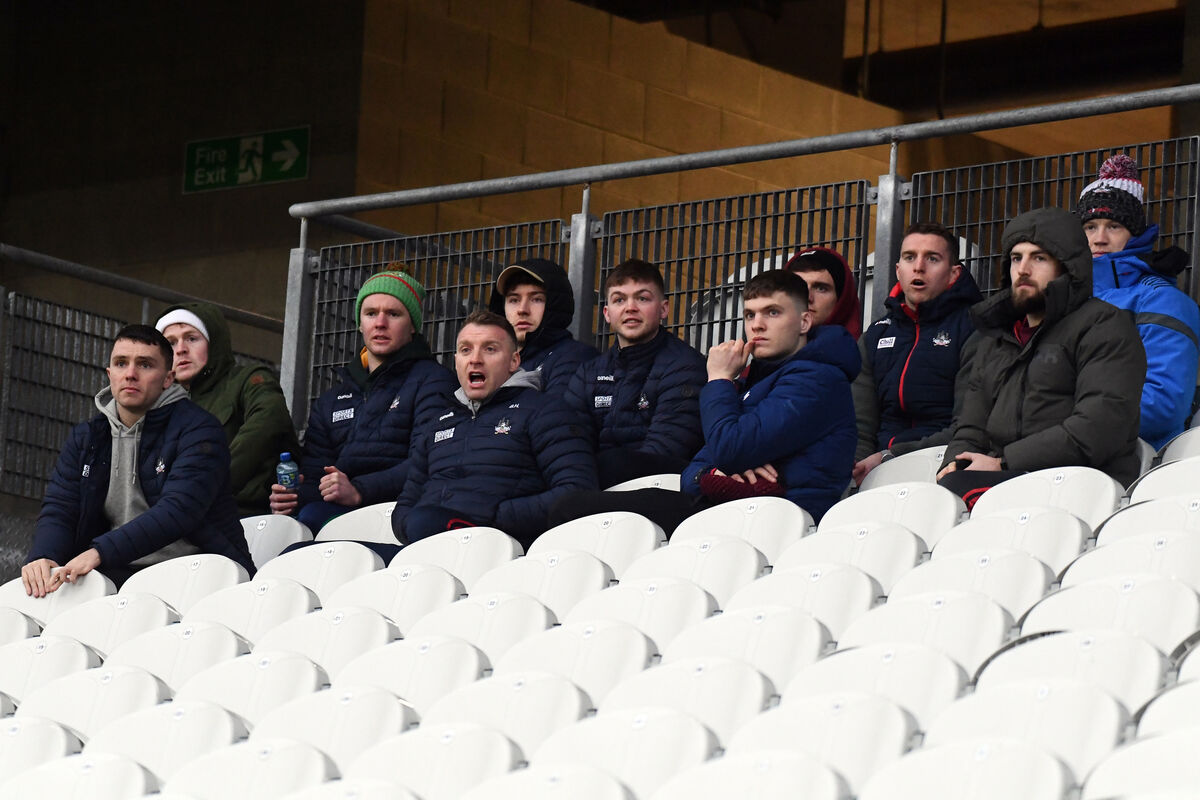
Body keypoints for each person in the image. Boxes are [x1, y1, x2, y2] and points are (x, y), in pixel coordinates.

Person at [22, 325, 253, 596]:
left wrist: (99, 552)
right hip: (118, 571)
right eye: (121, 363)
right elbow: (61, 507)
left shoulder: (200, 430)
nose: (130, 374)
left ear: (168, 378)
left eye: (144, 365)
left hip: (198, 571)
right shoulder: (88, 437)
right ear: (110, 374)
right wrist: (43, 556)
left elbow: (178, 510)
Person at [938, 207, 1147, 505]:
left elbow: (1098, 427)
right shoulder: (994, 339)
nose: (1023, 269)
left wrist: (1004, 463)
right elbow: (970, 426)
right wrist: (954, 463)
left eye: (1039, 258)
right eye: (1015, 258)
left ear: (1067, 267)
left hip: (1083, 485)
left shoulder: (1105, 326)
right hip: (1006, 483)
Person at [269, 267, 457, 532]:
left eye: (393, 314)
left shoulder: (435, 381)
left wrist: (359, 490)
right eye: (371, 313)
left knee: (311, 519)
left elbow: (427, 462)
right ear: (360, 323)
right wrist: (293, 496)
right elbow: (315, 473)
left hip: (400, 512)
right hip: (336, 512)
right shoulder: (331, 400)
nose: (380, 323)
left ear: (413, 325)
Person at [390, 310, 597, 549]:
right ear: (455, 360)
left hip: (502, 550)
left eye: (490, 349)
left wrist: (496, 516)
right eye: (466, 350)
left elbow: (577, 491)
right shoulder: (439, 422)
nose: (475, 359)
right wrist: (408, 525)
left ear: (514, 361)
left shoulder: (546, 411)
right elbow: (406, 502)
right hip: (426, 540)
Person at [682, 269, 860, 521]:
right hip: (743, 514)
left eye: (772, 312)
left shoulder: (818, 380)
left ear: (804, 322)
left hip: (787, 521)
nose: (757, 324)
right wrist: (708, 475)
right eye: (749, 314)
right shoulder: (753, 379)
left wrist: (719, 379)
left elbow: (728, 449)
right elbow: (692, 472)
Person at [1075, 153, 1200, 450]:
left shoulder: (1163, 300)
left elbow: (1162, 406)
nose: (1099, 238)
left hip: (1135, 465)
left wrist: (1065, 424)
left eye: (1113, 226)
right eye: (1090, 227)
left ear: (1135, 234)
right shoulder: (1061, 301)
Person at [852, 222, 983, 485]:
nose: (919, 267)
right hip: (872, 470)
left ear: (954, 274)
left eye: (932, 258)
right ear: (898, 269)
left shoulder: (976, 329)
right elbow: (859, 424)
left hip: (943, 465)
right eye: (910, 257)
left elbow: (968, 425)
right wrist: (855, 467)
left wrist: (892, 456)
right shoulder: (875, 335)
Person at [565, 258, 707, 488]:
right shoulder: (588, 372)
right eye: (619, 299)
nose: (630, 307)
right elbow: (570, 444)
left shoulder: (686, 366)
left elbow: (665, 451)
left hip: (663, 489)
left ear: (663, 309)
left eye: (642, 298)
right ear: (607, 313)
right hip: (593, 489)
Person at [156, 302, 298, 516]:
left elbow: (270, 419)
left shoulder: (246, 379)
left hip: (248, 513)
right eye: (171, 343)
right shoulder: (161, 405)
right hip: (183, 518)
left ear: (214, 343)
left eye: (192, 338)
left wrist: (210, 484)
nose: (181, 349)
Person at [486, 257, 598, 397]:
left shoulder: (575, 357)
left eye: (536, 299)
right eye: (514, 300)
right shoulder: (489, 360)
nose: (522, 309)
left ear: (555, 304)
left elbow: (556, 415)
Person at [784, 245, 863, 338]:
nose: (807, 297)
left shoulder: (865, 349)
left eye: (821, 289)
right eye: (797, 287)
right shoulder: (765, 346)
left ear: (842, 299)